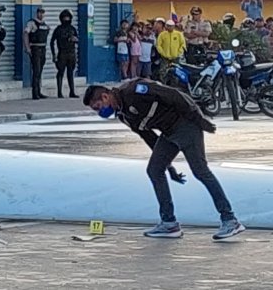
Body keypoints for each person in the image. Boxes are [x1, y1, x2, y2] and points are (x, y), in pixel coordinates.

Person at [83, 81, 246, 240]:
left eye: (98, 107)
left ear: (105, 97)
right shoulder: (123, 114)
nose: (100, 112)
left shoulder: (134, 90)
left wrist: (199, 120)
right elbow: (148, 137)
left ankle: (230, 220)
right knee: (154, 169)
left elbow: (175, 95)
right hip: (169, 132)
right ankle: (169, 223)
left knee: (200, 171)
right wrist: (169, 167)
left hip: (186, 125)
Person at [23, 7, 50, 100]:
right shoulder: (31, 23)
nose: (41, 15)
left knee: (40, 71)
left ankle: (39, 91)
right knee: (36, 71)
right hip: (35, 48)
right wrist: (27, 48)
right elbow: (25, 34)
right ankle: (35, 93)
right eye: (40, 13)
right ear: (37, 13)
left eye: (43, 13)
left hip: (43, 48)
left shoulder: (45, 24)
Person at [51, 9, 78, 99]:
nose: (66, 19)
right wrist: (54, 54)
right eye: (64, 17)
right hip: (62, 53)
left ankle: (72, 92)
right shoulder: (58, 29)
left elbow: (78, 40)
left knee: (70, 73)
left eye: (68, 17)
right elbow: (52, 42)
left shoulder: (72, 29)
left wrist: (74, 39)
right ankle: (59, 92)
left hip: (71, 53)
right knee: (60, 72)